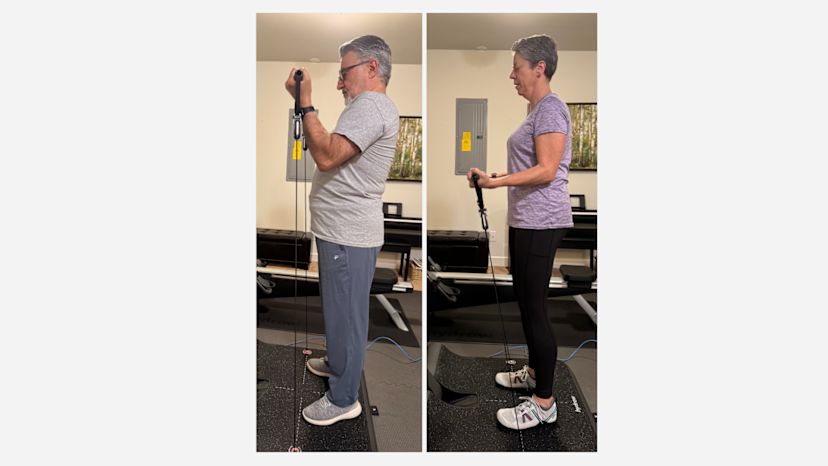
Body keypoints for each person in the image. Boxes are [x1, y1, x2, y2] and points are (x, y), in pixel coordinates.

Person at [284, 35, 399, 426]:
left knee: (347, 318)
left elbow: (329, 154)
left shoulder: (372, 105)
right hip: (340, 231)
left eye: (343, 72)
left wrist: (305, 102)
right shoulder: (365, 107)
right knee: (337, 311)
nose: (339, 82)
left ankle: (345, 398)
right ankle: (337, 364)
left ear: (371, 67)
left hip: (349, 236)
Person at [466, 34, 573, 431]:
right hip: (527, 219)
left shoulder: (550, 108)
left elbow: (547, 169)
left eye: (517, 67)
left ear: (539, 67)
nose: (512, 74)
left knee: (535, 309)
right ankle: (533, 372)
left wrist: (496, 183)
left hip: (542, 220)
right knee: (527, 305)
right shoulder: (535, 112)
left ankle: (544, 403)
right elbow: (533, 167)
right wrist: (492, 176)